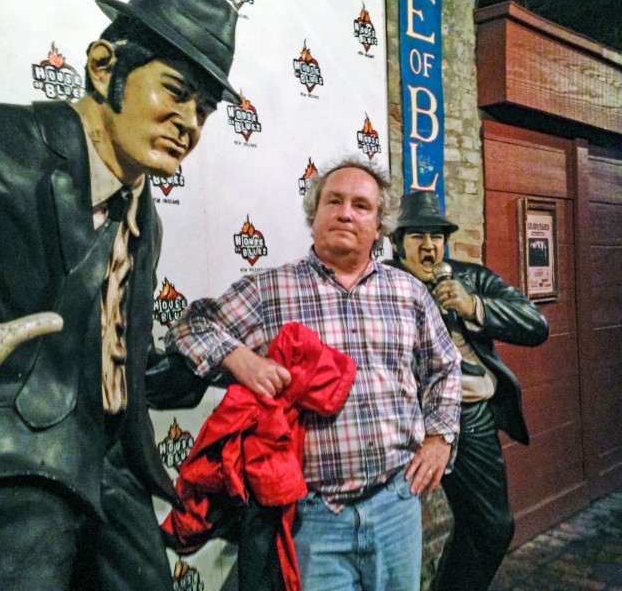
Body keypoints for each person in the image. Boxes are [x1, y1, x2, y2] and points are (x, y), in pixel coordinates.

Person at [0, 0, 240, 589]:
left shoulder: (144, 217)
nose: (189, 123)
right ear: (104, 66)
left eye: (205, 110)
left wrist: (226, 359)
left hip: (110, 467)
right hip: (1, 463)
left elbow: (113, 357)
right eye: (176, 92)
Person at [167, 157, 462, 591]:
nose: (345, 212)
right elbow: (190, 327)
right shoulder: (271, 289)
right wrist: (238, 358)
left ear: (379, 226)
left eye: (361, 206)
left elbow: (446, 367)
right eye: (334, 201)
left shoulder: (409, 292)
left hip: (396, 506)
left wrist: (440, 438)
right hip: (313, 517)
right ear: (314, 215)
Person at [385, 190, 550, 591]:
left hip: (470, 416)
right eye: (417, 236)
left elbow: (535, 324)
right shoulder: (383, 285)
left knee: (492, 526)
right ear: (396, 242)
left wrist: (474, 305)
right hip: (404, 423)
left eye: (437, 237)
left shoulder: (467, 277)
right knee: (390, 534)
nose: (429, 246)